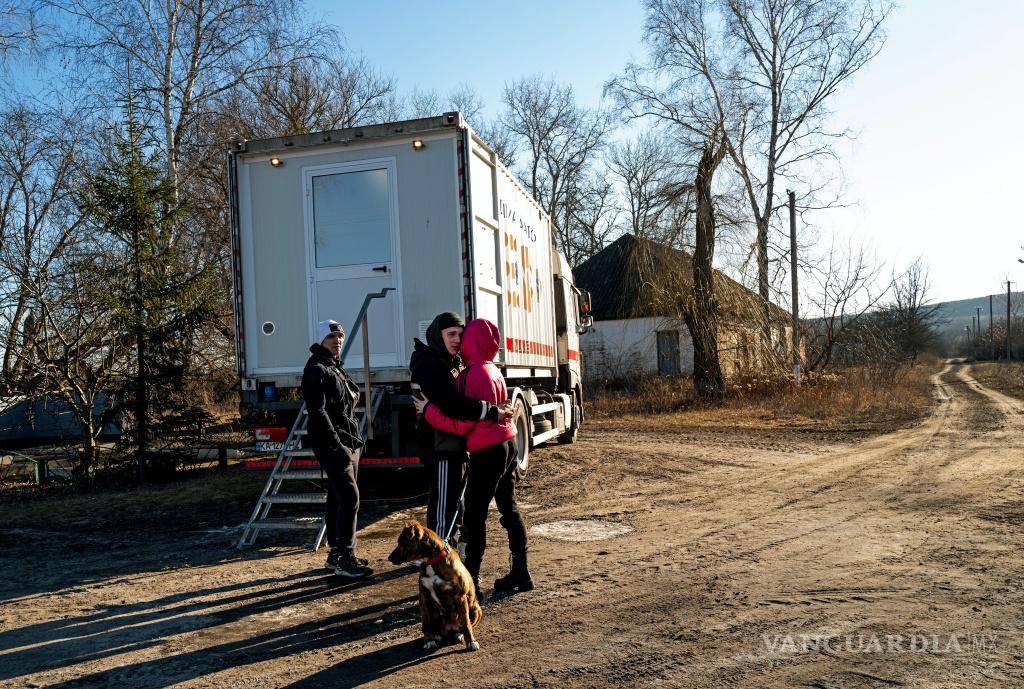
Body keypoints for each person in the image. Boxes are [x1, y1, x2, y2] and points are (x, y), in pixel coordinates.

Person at [417, 318, 533, 597]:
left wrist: (428, 410)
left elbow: (462, 423)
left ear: (472, 341)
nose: (459, 341)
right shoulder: (494, 370)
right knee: (509, 508)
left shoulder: (470, 375)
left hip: (487, 451)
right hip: (508, 445)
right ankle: (522, 570)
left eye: (463, 335)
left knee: (475, 517)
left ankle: (472, 584)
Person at [409, 312, 511, 545]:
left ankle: (448, 548)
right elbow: (453, 405)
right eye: (451, 334)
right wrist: (492, 411)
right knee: (444, 503)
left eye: (460, 335)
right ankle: (438, 552)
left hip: (454, 442)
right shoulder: (429, 364)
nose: (457, 339)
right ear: (437, 335)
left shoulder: (450, 361)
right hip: (440, 445)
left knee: (454, 501)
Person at [302, 319, 373, 579]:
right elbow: (318, 412)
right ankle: (346, 557)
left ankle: (335, 556)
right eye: (332, 337)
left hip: (347, 441)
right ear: (321, 340)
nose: (338, 341)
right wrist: (338, 445)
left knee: (337, 497)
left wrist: (353, 442)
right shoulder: (316, 369)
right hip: (332, 443)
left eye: (340, 337)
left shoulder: (335, 367)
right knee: (350, 497)